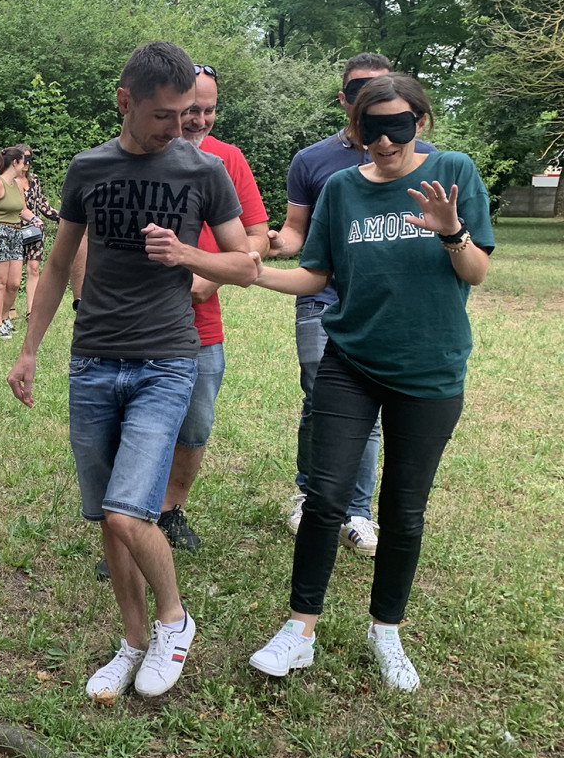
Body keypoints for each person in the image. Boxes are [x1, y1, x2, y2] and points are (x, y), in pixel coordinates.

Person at [7, 42, 256, 700]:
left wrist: (185, 255)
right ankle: (132, 641)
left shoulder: (203, 173)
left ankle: (174, 621)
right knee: (105, 516)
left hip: (166, 362)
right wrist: (30, 349)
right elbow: (59, 265)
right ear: (126, 101)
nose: (178, 128)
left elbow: (246, 265)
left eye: (185, 115)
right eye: (164, 116)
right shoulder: (89, 169)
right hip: (91, 363)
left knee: (126, 511)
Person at [247, 73, 492, 691]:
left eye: (398, 126)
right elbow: (314, 275)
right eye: (371, 128)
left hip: (430, 369)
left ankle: (386, 631)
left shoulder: (455, 172)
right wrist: (246, 277)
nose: (385, 141)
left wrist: (450, 230)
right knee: (326, 498)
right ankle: (299, 630)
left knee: (403, 511)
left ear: (421, 122)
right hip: (350, 362)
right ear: (355, 130)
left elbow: (478, 270)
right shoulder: (339, 189)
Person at [267, 53, 434, 556]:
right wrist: (253, 246)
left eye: (378, 87)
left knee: (373, 407)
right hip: (321, 298)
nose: (367, 96)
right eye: (357, 89)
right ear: (344, 99)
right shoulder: (312, 161)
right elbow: (296, 234)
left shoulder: (422, 156)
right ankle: (310, 492)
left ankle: (357, 512)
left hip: (386, 306)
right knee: (322, 398)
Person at [158, 64, 270, 549]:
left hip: (202, 323)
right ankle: (132, 522)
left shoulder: (228, 159)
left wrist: (210, 278)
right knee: (139, 423)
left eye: (210, 110)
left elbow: (258, 235)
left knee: (195, 424)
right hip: (141, 321)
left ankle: (169, 511)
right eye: (191, 111)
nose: (201, 120)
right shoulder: (141, 154)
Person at [0, 145, 36, 338]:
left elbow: (22, 209)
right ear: (15, 162)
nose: (26, 165)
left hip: (16, 233)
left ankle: (5, 317)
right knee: (0, 283)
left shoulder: (18, 184)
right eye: (24, 161)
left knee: (14, 283)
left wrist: (35, 219)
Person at [12, 144, 61, 325]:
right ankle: (9, 308)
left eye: (29, 158)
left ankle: (31, 311)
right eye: (23, 157)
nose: (27, 162)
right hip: (15, 230)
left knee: (34, 269)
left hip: (33, 231)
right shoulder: (8, 181)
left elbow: (42, 204)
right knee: (13, 277)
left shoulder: (34, 180)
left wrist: (60, 217)